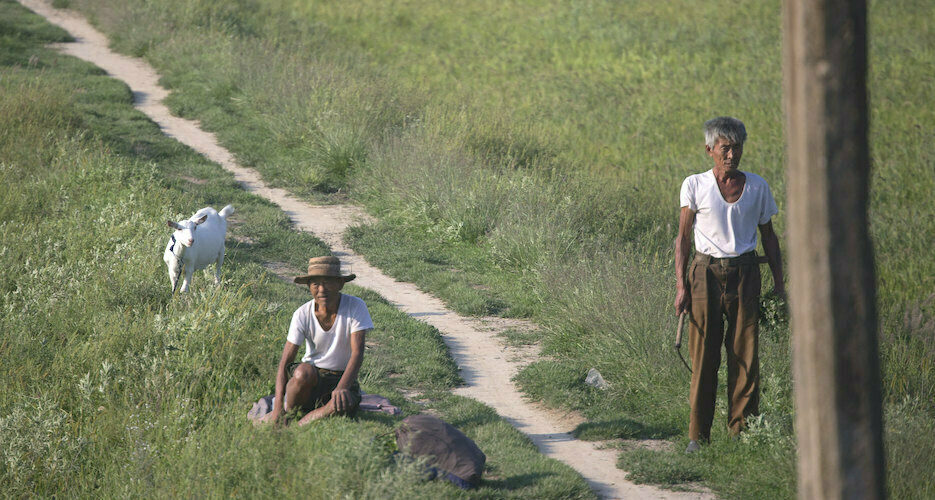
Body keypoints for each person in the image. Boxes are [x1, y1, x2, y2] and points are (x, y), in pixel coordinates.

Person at [674, 117, 785, 453]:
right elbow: (682, 240)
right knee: (704, 357)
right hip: (704, 275)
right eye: (725, 147)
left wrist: (780, 286)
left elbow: (770, 238)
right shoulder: (694, 185)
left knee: (745, 358)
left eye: (737, 147)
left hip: (746, 273)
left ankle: (741, 435)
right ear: (710, 150)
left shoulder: (757, 187)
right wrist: (682, 287)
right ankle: (698, 436)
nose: (731, 154)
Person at [260, 256, 373, 425]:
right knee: (301, 373)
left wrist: (342, 387)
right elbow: (286, 361)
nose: (322, 289)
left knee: (341, 402)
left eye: (328, 282)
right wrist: (277, 406)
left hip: (340, 378)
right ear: (308, 286)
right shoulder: (302, 314)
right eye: (315, 284)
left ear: (340, 284)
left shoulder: (356, 306)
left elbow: (357, 353)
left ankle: (300, 423)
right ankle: (287, 413)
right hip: (312, 377)